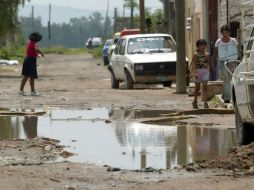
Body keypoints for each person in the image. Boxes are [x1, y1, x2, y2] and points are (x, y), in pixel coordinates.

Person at [214, 25, 238, 103]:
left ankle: (224, 95)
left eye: (226, 32)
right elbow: (216, 53)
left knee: (230, 79)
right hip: (222, 62)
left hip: (231, 62)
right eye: (223, 32)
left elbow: (237, 51)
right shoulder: (218, 42)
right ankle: (227, 97)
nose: (225, 34)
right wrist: (217, 61)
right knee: (226, 79)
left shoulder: (233, 41)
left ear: (229, 33)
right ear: (221, 33)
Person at [19, 32, 44, 96]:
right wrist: (41, 53)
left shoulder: (29, 42)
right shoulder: (35, 43)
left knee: (26, 76)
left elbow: (31, 50)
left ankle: (21, 91)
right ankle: (32, 91)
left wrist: (36, 54)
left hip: (27, 59)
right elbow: (36, 49)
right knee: (31, 76)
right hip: (31, 60)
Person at [191, 39, 211, 109]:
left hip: (205, 71)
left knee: (205, 87)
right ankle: (195, 101)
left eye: (203, 45)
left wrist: (208, 71)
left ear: (205, 46)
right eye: (200, 45)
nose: (202, 47)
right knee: (197, 87)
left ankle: (205, 102)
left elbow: (208, 64)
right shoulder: (196, 55)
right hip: (198, 71)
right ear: (198, 46)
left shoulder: (207, 54)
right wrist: (195, 73)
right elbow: (193, 65)